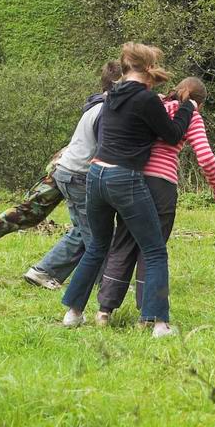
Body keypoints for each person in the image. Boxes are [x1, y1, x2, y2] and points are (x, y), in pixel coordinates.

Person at [59, 43, 197, 337]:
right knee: (154, 249)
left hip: (95, 175)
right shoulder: (146, 99)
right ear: (148, 69)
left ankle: (73, 313)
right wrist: (188, 107)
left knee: (97, 246)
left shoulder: (111, 95)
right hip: (123, 178)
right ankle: (159, 323)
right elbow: (172, 135)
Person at [0, 60, 123, 288]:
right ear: (118, 84)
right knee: (96, 232)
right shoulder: (107, 110)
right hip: (78, 173)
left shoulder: (95, 104)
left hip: (61, 166)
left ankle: (1, 243)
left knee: (31, 212)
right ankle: (105, 285)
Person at [95, 77, 215, 326]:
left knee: (123, 242)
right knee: (153, 249)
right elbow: (206, 158)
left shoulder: (155, 104)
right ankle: (148, 315)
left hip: (132, 179)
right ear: (199, 103)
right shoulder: (190, 115)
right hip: (161, 186)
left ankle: (104, 310)